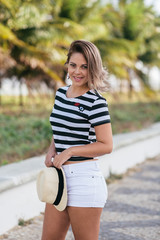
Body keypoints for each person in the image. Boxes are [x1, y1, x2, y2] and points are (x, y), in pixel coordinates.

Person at [42, 40, 113, 240]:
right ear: (67, 65)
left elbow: (106, 145)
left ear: (94, 68)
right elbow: (61, 128)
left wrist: (70, 151)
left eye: (85, 66)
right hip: (59, 178)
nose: (78, 72)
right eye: (73, 65)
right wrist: (52, 150)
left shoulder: (96, 102)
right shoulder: (61, 94)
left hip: (85, 180)